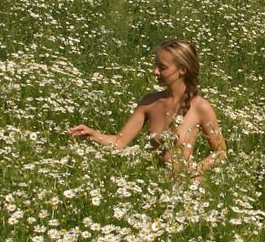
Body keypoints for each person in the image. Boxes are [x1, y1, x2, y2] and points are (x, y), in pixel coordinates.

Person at [69, 38, 227, 176]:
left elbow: (221, 152)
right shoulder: (149, 102)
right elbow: (119, 142)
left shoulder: (200, 107)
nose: (155, 71)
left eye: (162, 67)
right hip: (156, 182)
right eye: (156, 65)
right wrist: (92, 134)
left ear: (182, 70)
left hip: (186, 186)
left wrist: (195, 171)